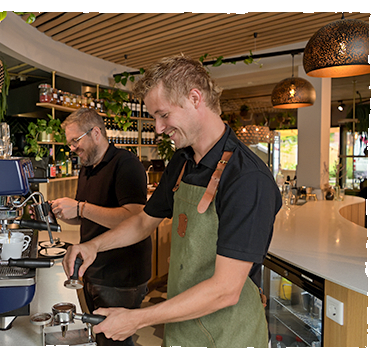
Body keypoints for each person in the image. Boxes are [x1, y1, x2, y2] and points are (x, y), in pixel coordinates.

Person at [62, 54, 282, 348]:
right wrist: (93, 246)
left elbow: (226, 290)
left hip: (230, 336)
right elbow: (143, 221)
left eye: (163, 115)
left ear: (194, 98)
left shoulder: (247, 178)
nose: (158, 128)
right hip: (182, 327)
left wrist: (137, 318)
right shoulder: (182, 160)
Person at [50, 108, 152, 348]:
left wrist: (81, 208)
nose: (72, 148)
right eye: (70, 144)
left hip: (121, 275)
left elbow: (136, 218)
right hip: (92, 267)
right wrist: (66, 213)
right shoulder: (86, 166)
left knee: (115, 340)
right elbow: (88, 216)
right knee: (101, 338)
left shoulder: (126, 163)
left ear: (96, 132)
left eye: (75, 141)